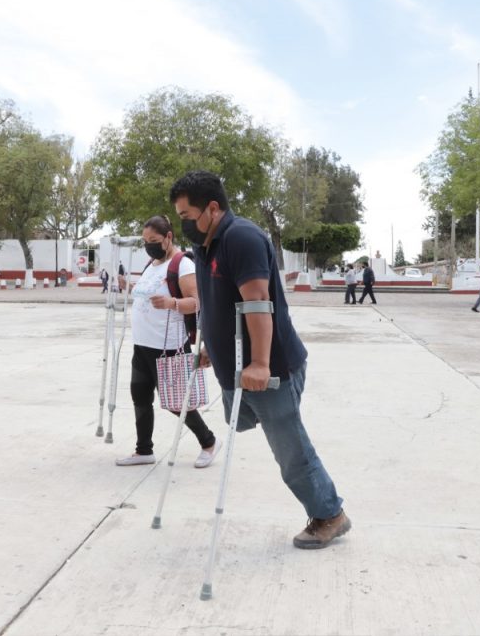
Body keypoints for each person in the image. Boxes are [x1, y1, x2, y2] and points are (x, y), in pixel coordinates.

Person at [169, 170, 350, 550]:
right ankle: (327, 510)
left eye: (187, 216)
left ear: (212, 208)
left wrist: (261, 364)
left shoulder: (242, 238)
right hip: (237, 368)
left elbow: (257, 303)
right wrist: (211, 348)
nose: (183, 223)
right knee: (271, 437)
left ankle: (329, 515)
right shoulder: (206, 246)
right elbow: (217, 304)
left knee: (290, 450)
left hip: (271, 370)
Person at [114, 215, 221, 468]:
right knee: (140, 396)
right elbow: (147, 294)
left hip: (169, 347)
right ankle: (144, 450)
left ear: (168, 237)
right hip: (143, 345)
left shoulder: (182, 265)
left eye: (153, 240)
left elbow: (197, 302)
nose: (148, 245)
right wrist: (128, 286)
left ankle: (209, 442)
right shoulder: (152, 264)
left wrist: (172, 303)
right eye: (145, 241)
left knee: (177, 403)